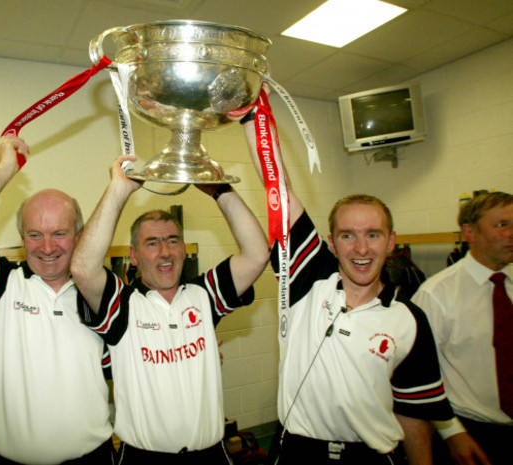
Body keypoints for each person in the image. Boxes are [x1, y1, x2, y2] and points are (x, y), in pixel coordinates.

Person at [241, 89, 458, 464]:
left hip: (373, 456)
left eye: (372, 235)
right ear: (331, 243)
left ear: (391, 242)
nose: (361, 248)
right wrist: (249, 116)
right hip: (297, 453)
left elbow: (414, 414)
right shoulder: (308, 280)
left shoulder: (409, 318)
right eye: (348, 236)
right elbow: (279, 189)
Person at [0, 135, 114, 465]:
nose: (47, 247)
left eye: (60, 233)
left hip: (93, 459)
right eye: (34, 234)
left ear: (80, 235)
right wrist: (5, 168)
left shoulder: (100, 293)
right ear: (22, 238)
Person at [70, 154, 269, 464]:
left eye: (173, 240)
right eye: (152, 243)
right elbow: (82, 268)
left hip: (212, 455)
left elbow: (257, 255)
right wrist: (118, 189)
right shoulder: (121, 304)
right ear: (134, 256)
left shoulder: (205, 295)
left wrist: (221, 191)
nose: (165, 252)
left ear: (184, 248)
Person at [412, 191, 513, 465]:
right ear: (469, 232)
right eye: (502, 225)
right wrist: (451, 432)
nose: (512, 233)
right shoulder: (436, 295)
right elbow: (416, 373)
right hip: (473, 434)